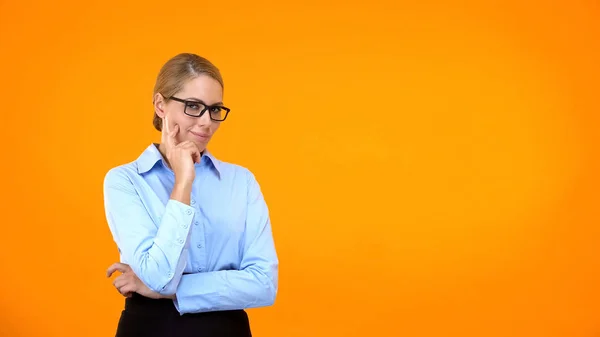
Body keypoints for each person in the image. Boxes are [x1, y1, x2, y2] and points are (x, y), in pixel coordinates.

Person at [102, 53, 278, 337]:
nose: (207, 122)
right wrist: (183, 181)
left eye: (215, 109)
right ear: (161, 105)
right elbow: (160, 278)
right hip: (150, 329)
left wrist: (169, 292)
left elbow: (264, 285)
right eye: (193, 106)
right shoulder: (125, 181)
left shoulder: (241, 181)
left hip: (226, 330)